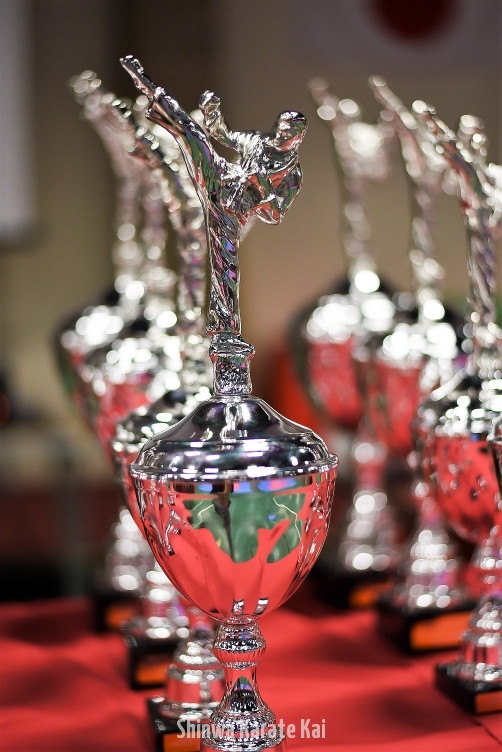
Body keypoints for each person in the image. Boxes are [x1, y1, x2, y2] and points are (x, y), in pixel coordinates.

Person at [121, 55, 306, 337]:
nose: (281, 134)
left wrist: (262, 190)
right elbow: (225, 135)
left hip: (236, 211)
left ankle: (225, 332)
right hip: (223, 179)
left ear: (298, 138)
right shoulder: (258, 141)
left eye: (288, 132)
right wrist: (212, 114)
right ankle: (148, 86)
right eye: (280, 127)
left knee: (225, 269)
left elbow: (275, 215)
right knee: (195, 137)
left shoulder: (292, 174)